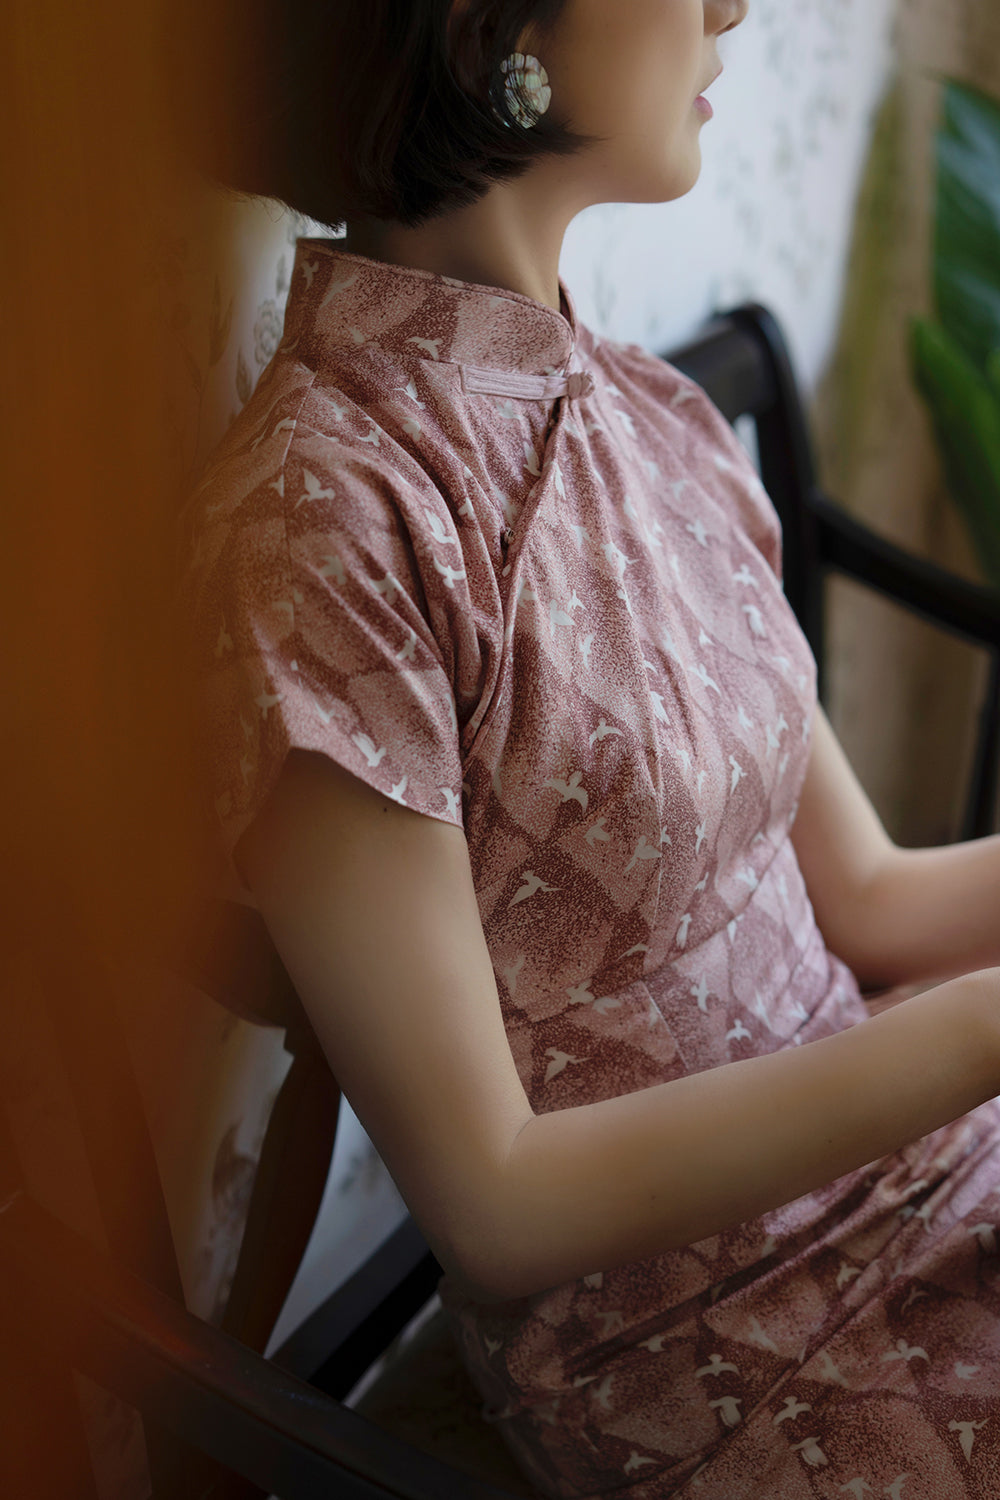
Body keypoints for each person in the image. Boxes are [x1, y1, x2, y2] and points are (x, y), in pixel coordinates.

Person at [173, 1, 1000, 1494]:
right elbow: (494, 1198)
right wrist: (975, 1032)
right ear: (492, 28)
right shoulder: (325, 529)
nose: (731, 6)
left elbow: (868, 894)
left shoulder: (648, 415)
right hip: (734, 1350)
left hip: (917, 1174)